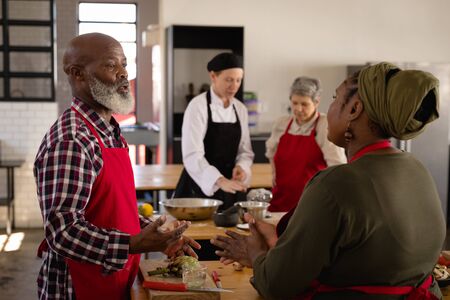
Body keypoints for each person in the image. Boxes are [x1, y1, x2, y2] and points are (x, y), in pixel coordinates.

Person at [212, 62, 446, 299]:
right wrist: (287, 239)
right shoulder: (418, 169)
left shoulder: (334, 183)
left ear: (354, 109)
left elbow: (276, 285)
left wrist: (257, 255)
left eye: (335, 98)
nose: (330, 108)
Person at [34, 33, 200, 300]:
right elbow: (63, 231)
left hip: (115, 281)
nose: (124, 74)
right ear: (78, 74)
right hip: (77, 288)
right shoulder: (72, 140)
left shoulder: (110, 132)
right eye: (112, 65)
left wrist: (157, 231)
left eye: (124, 63)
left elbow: (112, 209)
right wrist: (133, 244)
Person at [174, 52, 254, 209]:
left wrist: (242, 168)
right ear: (213, 76)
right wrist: (218, 180)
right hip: (199, 187)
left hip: (231, 186)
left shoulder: (240, 109)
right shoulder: (197, 106)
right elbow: (192, 155)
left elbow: (245, 151)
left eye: (238, 80)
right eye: (229, 80)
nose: (234, 86)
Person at [265, 76, 346, 213]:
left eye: (304, 104)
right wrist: (274, 174)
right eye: (295, 103)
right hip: (280, 201)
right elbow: (271, 153)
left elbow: (337, 168)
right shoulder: (281, 124)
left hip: (312, 204)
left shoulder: (325, 125)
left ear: (316, 102)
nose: (298, 109)